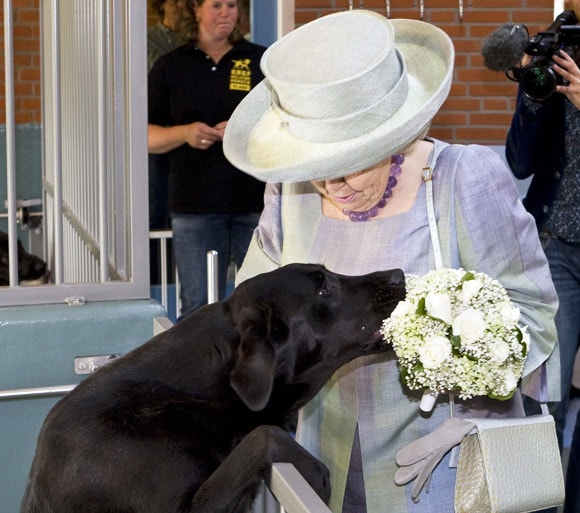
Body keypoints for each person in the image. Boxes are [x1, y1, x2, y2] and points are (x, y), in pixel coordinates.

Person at [222, 10, 560, 512]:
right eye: (318, 169)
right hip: (322, 455)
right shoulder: (289, 194)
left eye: (351, 163)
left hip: (445, 464)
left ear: (393, 134)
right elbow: (247, 311)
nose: (333, 187)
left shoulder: (462, 180)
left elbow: (533, 317)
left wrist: (464, 369)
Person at [505, 1, 580, 511]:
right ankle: (539, 505)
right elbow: (518, 161)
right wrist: (534, 96)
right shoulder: (555, 50)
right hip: (555, 245)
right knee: (544, 397)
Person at [148, 0, 266, 319]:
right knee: (199, 308)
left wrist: (246, 132)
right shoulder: (171, 66)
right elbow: (146, 136)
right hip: (194, 208)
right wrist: (184, 133)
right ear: (196, 10)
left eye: (231, 5)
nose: (226, 12)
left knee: (260, 306)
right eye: (216, 5)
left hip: (254, 204)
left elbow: (284, 125)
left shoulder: (260, 61)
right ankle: (200, 371)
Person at [148, 0, 184, 231]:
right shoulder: (147, 41)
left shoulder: (196, 41)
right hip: (158, 131)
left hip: (189, 131)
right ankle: (153, 267)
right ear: (162, 5)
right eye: (175, 0)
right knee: (155, 210)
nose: (181, 5)